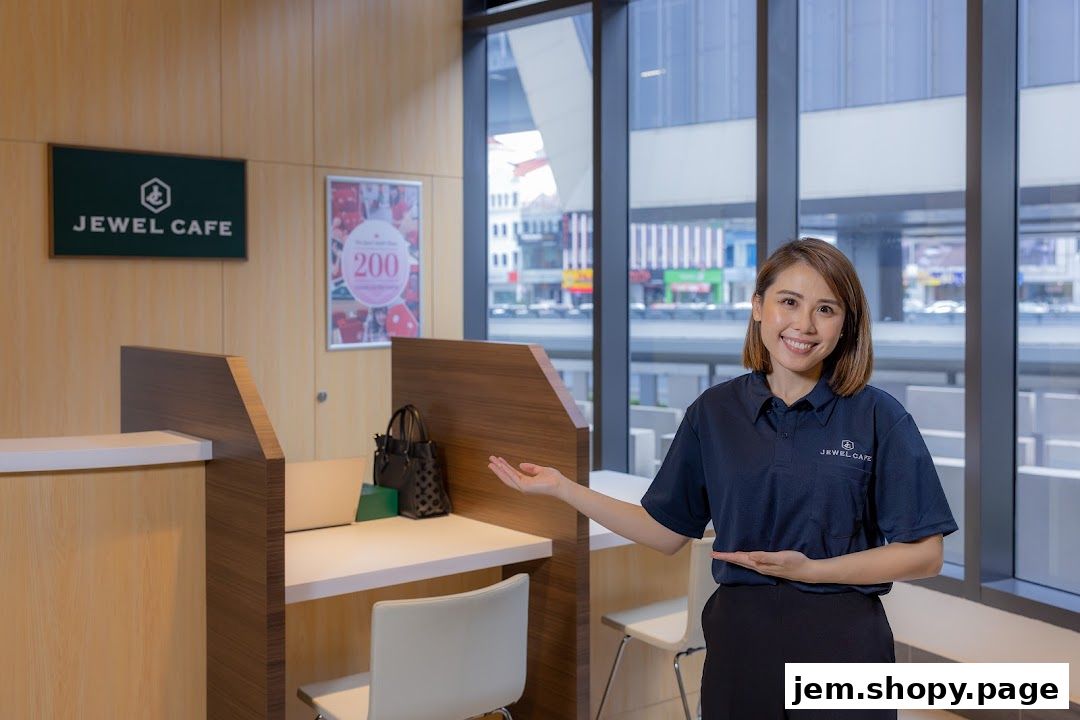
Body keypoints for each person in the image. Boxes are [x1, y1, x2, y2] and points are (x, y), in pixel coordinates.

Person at [488, 237, 957, 720]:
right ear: (758, 307)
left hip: (843, 646)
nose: (804, 324)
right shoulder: (714, 412)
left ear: (846, 325)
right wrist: (565, 489)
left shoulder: (878, 416)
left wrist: (812, 570)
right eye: (789, 302)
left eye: (826, 309)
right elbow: (666, 530)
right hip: (741, 644)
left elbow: (926, 553)